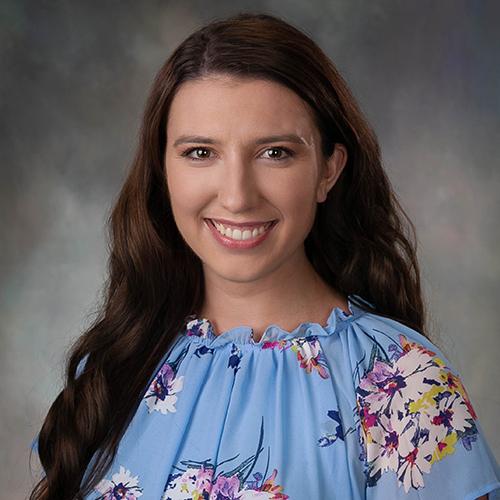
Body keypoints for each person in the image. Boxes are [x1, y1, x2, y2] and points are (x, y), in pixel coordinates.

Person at [29, 12, 499, 500]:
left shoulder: (404, 382)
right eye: (200, 152)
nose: (236, 196)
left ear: (328, 171)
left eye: (274, 152)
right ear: (162, 168)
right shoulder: (117, 365)